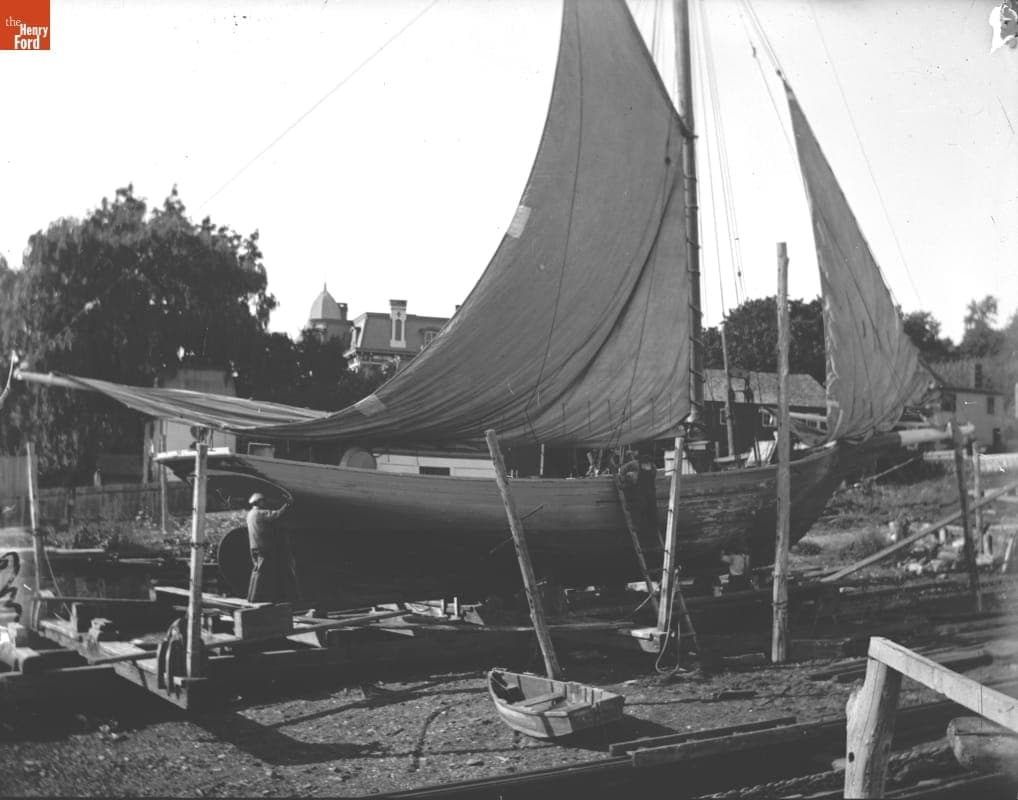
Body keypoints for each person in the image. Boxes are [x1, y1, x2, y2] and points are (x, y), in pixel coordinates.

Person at [246, 493, 297, 604]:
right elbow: (277, 514)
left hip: (254, 546)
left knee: (256, 570)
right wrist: (287, 504)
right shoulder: (261, 513)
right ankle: (256, 599)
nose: (265, 503)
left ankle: (251, 597)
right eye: (263, 501)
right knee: (263, 572)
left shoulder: (250, 514)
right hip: (263, 547)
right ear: (258, 502)